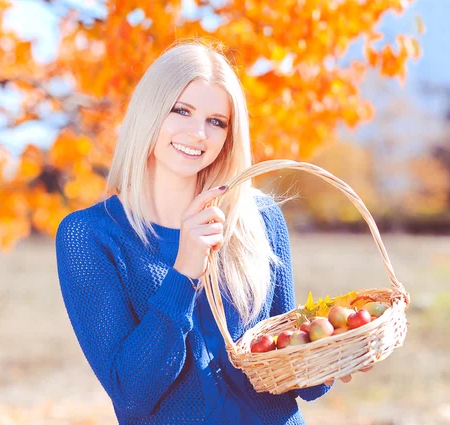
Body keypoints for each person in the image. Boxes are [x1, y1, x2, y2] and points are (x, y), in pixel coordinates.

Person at [55, 38, 360, 425]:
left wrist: (327, 359)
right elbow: (132, 396)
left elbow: (286, 362)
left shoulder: (259, 218)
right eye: (181, 110)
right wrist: (183, 273)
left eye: (216, 121)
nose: (199, 133)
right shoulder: (89, 237)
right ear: (150, 113)